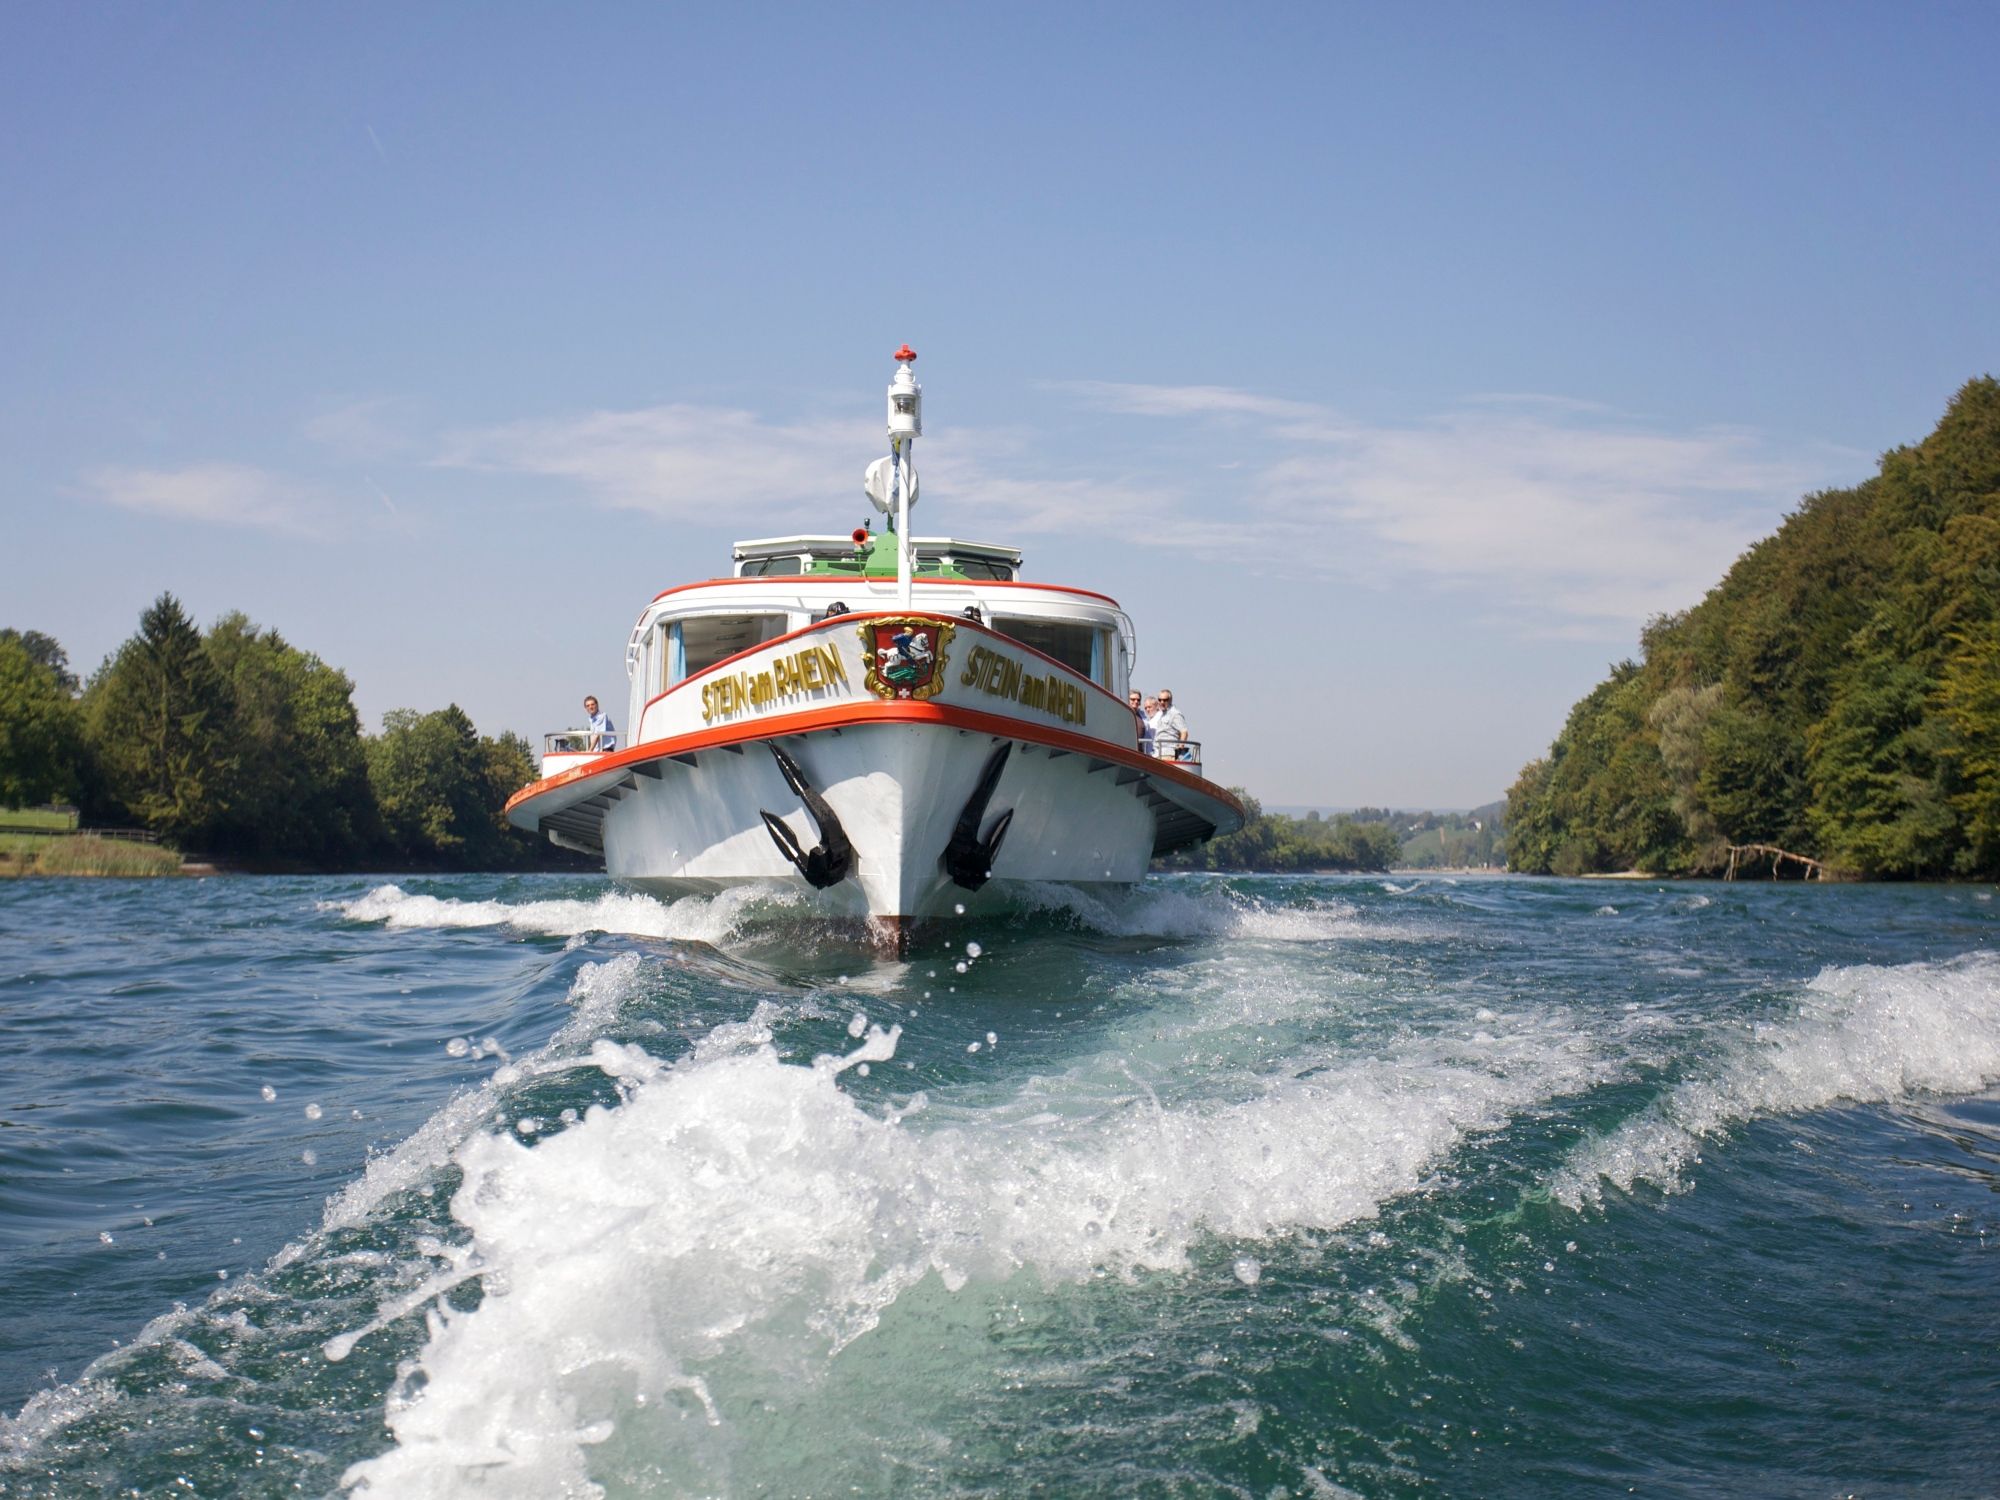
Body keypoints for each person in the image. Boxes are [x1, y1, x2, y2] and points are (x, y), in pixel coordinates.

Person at [1153, 688, 1187, 759]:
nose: (1162, 702)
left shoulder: (1175, 714)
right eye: (1160, 700)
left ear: (1170, 700)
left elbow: (1184, 732)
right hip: (1158, 753)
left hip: (1168, 754)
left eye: (1165, 700)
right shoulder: (1162, 714)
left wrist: (1179, 751)